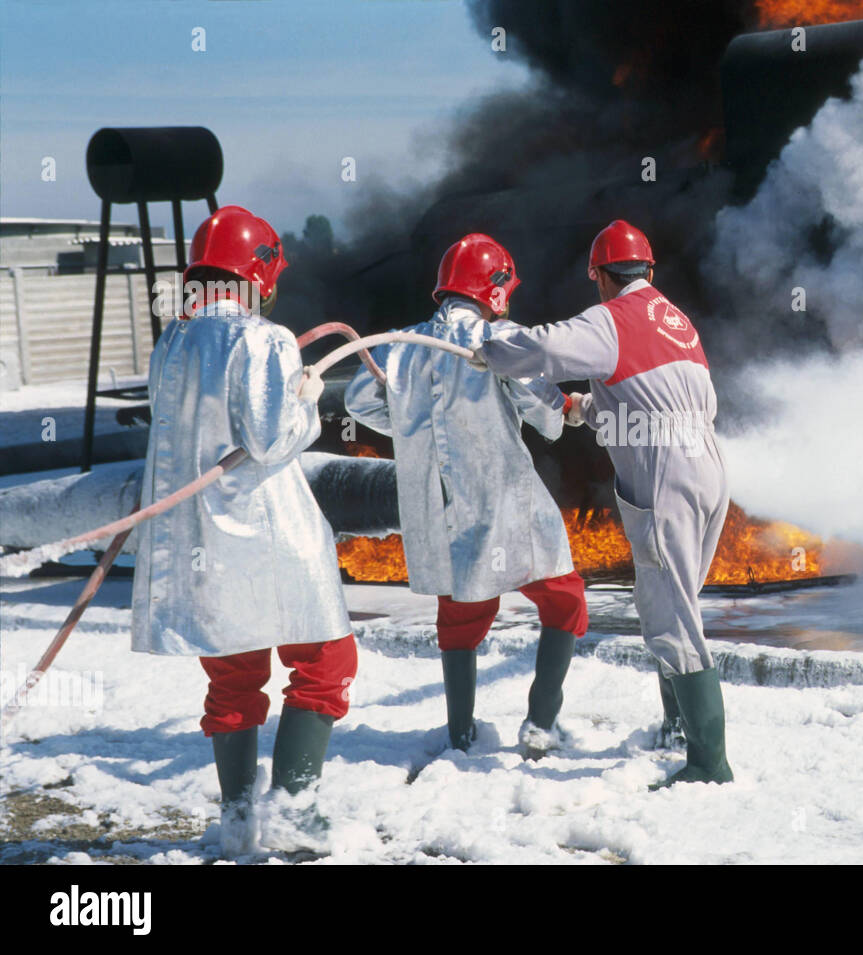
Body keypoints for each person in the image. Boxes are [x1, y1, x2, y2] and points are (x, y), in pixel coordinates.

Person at [474, 220, 733, 786]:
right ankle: (675, 731)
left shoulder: (611, 318)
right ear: (649, 270)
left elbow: (544, 346)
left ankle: (709, 765)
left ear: (599, 276)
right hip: (708, 467)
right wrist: (584, 410)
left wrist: (492, 348)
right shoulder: (676, 320)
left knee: (672, 615)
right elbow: (656, 401)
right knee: (678, 601)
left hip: (667, 475)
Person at [131, 206, 356, 854]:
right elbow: (270, 439)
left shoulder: (174, 340)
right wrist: (307, 397)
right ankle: (292, 814)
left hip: (202, 538)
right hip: (270, 531)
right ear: (258, 272)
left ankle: (237, 822)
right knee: (325, 660)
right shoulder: (265, 339)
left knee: (233, 674)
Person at [345, 233, 587, 759]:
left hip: (438, 509)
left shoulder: (402, 344)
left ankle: (460, 734)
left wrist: (412, 427)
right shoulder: (498, 338)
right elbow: (542, 407)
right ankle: (541, 724)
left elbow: (359, 398)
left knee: (458, 618)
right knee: (564, 600)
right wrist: (566, 410)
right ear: (495, 287)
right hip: (504, 499)